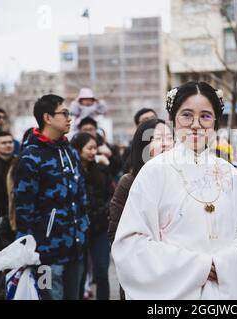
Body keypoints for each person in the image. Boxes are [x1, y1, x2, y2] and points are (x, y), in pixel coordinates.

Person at [111, 81, 237, 299]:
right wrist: (199, 267)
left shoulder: (228, 173)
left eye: (205, 116)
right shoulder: (153, 172)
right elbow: (132, 243)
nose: (196, 125)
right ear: (173, 119)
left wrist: (224, 264)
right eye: (187, 115)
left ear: (216, 121)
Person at [13, 94, 89, 300]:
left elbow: (81, 195)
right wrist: (26, 248)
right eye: (64, 113)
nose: (69, 118)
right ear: (47, 117)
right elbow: (23, 207)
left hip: (75, 248)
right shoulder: (31, 156)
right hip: (45, 253)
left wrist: (84, 227)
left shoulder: (70, 152)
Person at [108, 118, 173, 300]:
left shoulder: (182, 181)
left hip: (179, 273)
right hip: (141, 276)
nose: (167, 143)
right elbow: (116, 234)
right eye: (159, 138)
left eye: (170, 137)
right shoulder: (129, 183)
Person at [71, 133, 114, 300]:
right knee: (79, 274)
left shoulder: (101, 170)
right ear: (78, 149)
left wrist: (104, 210)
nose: (93, 152)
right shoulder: (71, 172)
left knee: (102, 272)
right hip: (78, 228)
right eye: (89, 148)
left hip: (100, 228)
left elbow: (111, 195)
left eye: (95, 148)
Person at [121, 108, 158, 173]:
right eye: (145, 120)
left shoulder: (167, 144)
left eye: (153, 118)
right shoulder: (130, 150)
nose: (151, 122)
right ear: (137, 126)